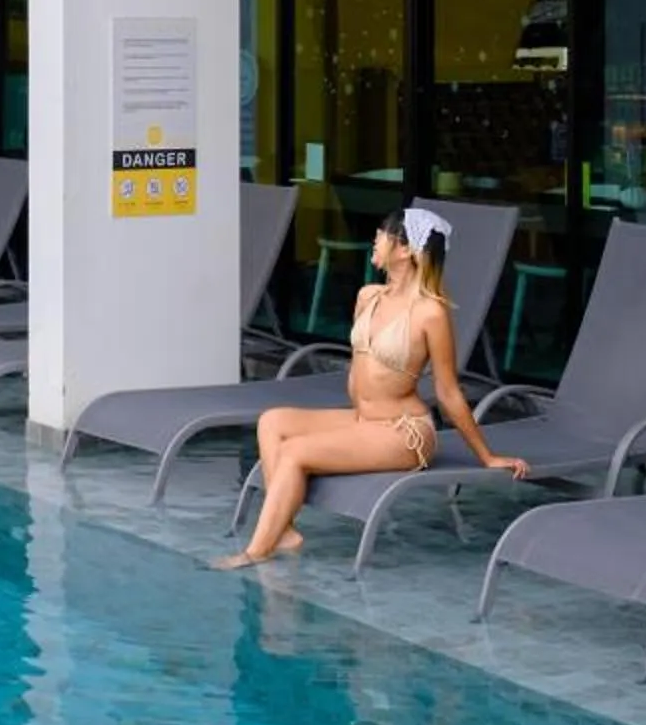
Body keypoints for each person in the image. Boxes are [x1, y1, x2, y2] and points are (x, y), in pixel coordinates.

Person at [211, 206, 527, 571]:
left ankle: (256, 552)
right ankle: (285, 532)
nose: (374, 240)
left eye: (381, 234)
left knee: (296, 451)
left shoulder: (430, 313)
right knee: (272, 422)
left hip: (403, 432)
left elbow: (448, 391)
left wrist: (487, 456)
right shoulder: (368, 296)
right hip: (363, 420)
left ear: (405, 249)